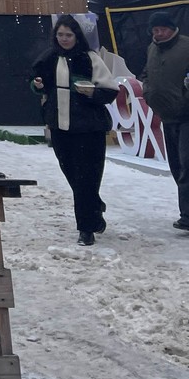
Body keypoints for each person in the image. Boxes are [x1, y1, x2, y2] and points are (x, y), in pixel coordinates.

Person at [31, 14, 119, 245]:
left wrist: (91, 93)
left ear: (77, 36)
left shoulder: (90, 58)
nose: (64, 39)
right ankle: (93, 206)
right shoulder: (49, 57)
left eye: (68, 35)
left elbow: (110, 91)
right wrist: (38, 85)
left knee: (87, 176)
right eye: (60, 34)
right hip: (60, 126)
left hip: (89, 127)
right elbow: (37, 82)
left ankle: (86, 228)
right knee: (72, 174)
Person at [141, 10, 189, 232]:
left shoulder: (186, 47)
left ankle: (187, 216)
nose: (158, 34)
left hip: (186, 114)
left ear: (172, 29)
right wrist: (147, 89)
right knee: (177, 165)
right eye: (155, 30)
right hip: (166, 114)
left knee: (187, 164)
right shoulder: (152, 48)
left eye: (162, 29)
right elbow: (146, 73)